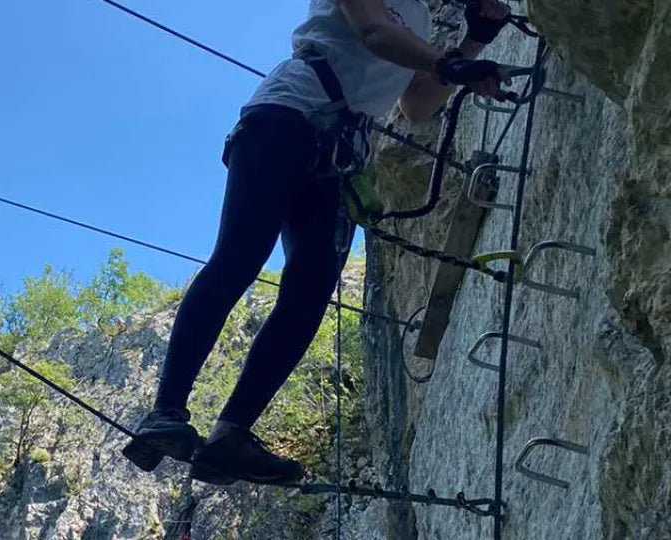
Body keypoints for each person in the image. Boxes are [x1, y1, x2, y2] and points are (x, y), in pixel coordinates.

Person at [124, 0, 512, 485]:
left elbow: (416, 104)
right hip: (285, 115)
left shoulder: (420, 18)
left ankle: (232, 434)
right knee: (240, 258)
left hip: (340, 152)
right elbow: (372, 33)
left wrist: (473, 40)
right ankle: (166, 410)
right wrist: (446, 60)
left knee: (309, 295)